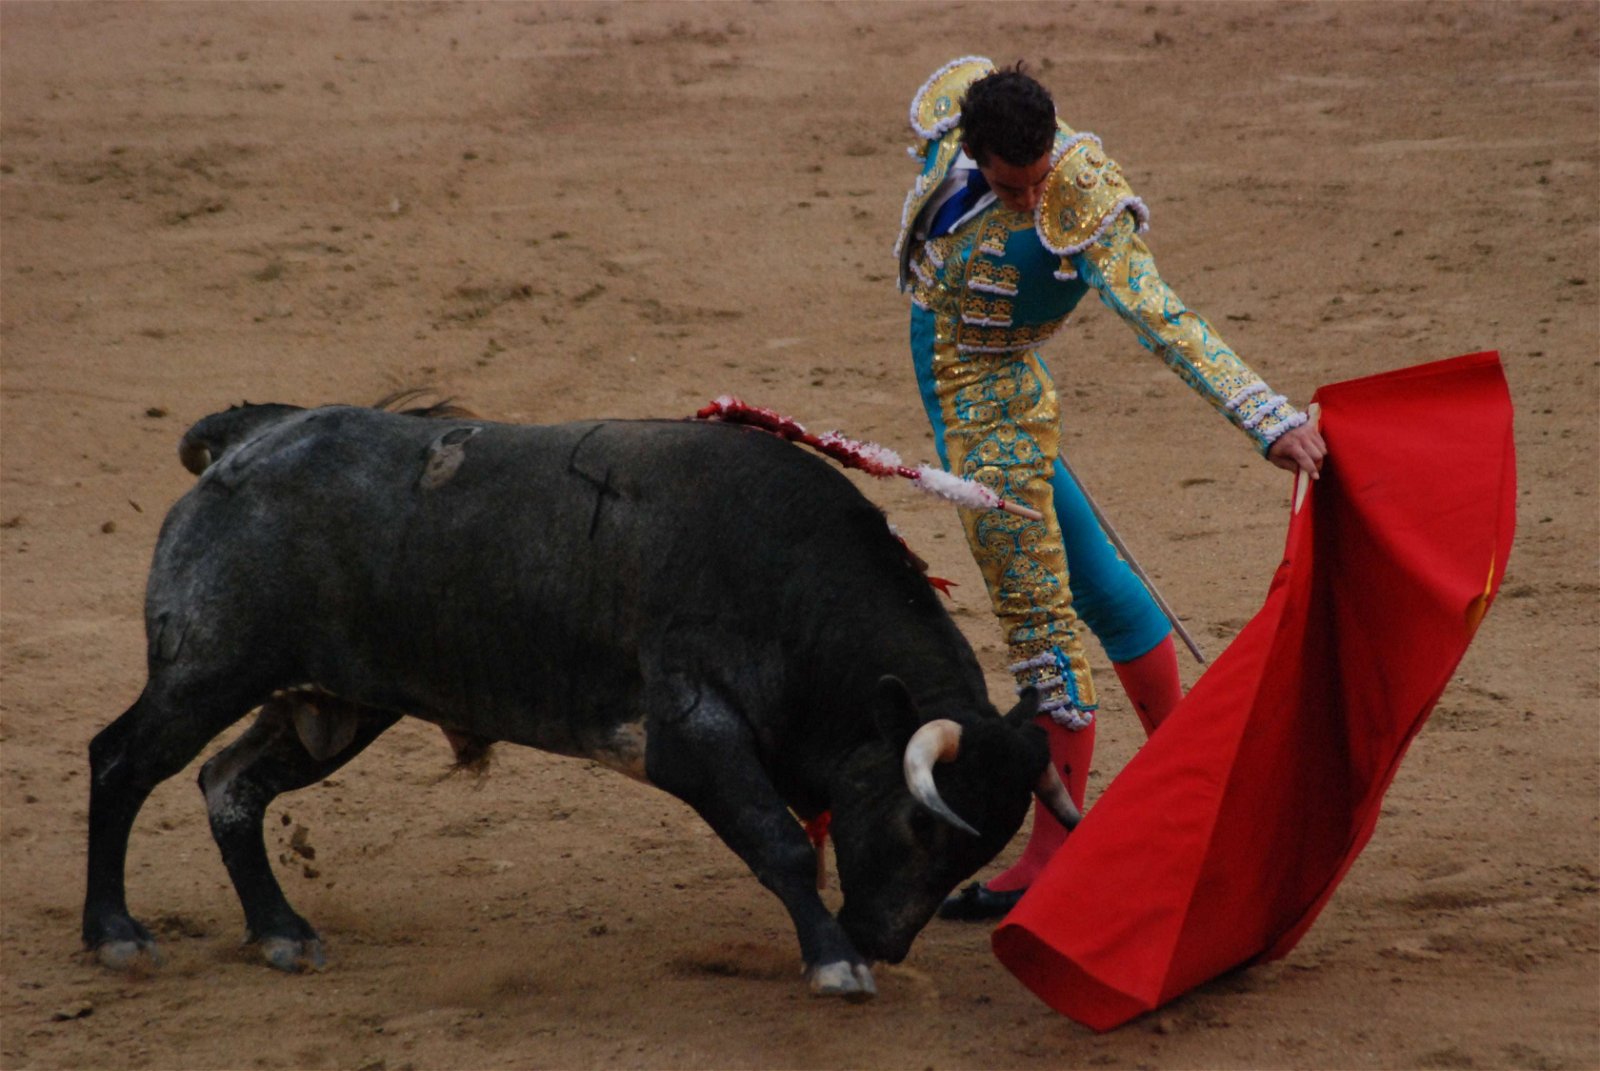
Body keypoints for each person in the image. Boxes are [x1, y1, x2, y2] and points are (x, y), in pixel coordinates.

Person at [893, 57, 1327, 921]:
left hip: (995, 429)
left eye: (1037, 180)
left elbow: (1162, 317)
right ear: (975, 151)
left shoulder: (1079, 202)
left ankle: (1057, 855)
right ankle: (1197, 780)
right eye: (1012, 186)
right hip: (982, 408)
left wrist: (1265, 417)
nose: (1029, 201)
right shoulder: (955, 118)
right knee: (1099, 586)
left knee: (1043, 633)